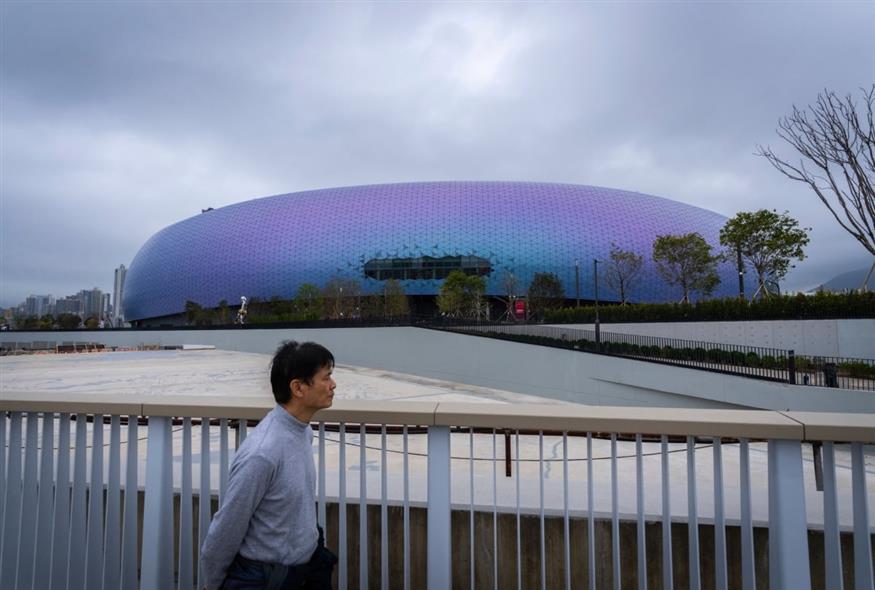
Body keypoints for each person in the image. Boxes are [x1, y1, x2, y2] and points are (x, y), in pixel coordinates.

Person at [201, 341, 338, 589]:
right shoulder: (262, 454)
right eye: (326, 377)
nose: (333, 384)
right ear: (298, 387)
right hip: (265, 579)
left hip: (305, 567)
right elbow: (225, 530)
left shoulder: (301, 432)